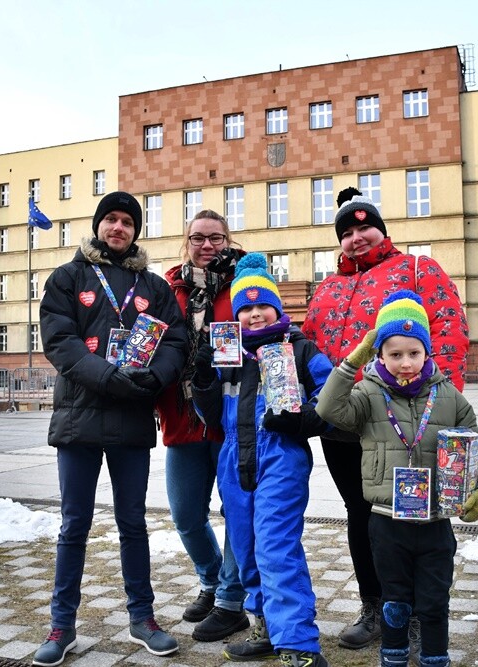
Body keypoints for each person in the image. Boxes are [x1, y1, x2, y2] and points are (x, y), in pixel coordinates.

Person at [301, 188, 470, 649]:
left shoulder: (416, 270)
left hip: (406, 421)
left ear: (382, 230)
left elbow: (449, 329)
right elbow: (309, 347)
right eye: (347, 233)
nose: (356, 238)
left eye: (364, 228)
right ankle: (375, 606)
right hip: (344, 425)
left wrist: (442, 404)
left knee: (415, 515)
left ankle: (416, 612)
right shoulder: (328, 287)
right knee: (362, 515)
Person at [34, 191, 187, 666]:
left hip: (131, 419)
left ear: (135, 231)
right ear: (99, 225)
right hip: (79, 418)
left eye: (127, 222)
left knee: (133, 523)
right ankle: (62, 627)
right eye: (111, 220)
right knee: (74, 525)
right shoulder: (68, 277)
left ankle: (143, 618)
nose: (118, 228)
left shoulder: (153, 286)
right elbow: (60, 341)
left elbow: (176, 340)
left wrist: (153, 376)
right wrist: (108, 376)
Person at [315, 290, 478, 667]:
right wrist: (352, 361)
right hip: (386, 521)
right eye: (394, 354)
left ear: (426, 352)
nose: (405, 363)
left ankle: (434, 658)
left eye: (414, 353)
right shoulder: (367, 394)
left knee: (434, 600)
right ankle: (393, 657)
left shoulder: (449, 397)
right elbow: (328, 408)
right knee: (394, 599)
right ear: (379, 354)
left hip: (435, 522)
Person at [192, 253, 334, 667]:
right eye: (246, 308)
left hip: (281, 456)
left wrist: (301, 419)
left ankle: (299, 645)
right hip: (235, 459)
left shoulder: (300, 348)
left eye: (262, 305)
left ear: (277, 307)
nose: (255, 315)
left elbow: (331, 400)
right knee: (247, 547)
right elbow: (212, 416)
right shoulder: (228, 353)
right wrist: (202, 379)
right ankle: (267, 627)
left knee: (276, 548)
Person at [156, 210, 249, 641]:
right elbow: (150, 339)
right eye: (198, 238)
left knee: (236, 511)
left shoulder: (246, 281)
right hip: (182, 416)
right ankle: (211, 579)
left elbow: (270, 331)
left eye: (216, 237)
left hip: (231, 417)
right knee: (186, 513)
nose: (207, 245)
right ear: (186, 241)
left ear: (228, 240)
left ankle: (231, 597)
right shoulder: (166, 288)